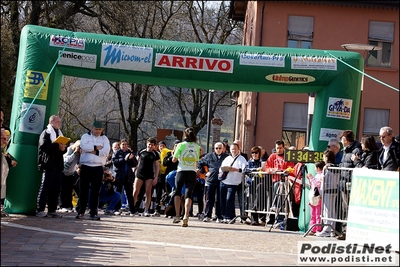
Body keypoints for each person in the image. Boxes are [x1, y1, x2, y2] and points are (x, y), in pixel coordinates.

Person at [75, 120, 110, 221]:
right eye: (96, 129)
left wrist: (94, 151)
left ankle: (93, 212)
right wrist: (96, 148)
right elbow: (83, 147)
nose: (98, 131)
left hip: (98, 167)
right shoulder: (85, 137)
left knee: (95, 191)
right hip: (86, 166)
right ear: (92, 128)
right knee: (83, 190)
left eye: (100, 129)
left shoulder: (104, 139)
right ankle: (81, 211)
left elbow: (105, 152)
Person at [36, 115, 67, 218]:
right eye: (58, 121)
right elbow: (43, 146)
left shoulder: (59, 133)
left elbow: (63, 149)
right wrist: (57, 146)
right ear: (51, 122)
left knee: (56, 188)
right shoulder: (46, 133)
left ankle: (52, 210)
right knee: (45, 187)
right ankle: (39, 209)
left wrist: (63, 148)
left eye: (60, 122)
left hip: (58, 165)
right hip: (48, 164)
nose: (59, 123)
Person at [171, 127, 201, 227]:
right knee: (189, 194)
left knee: (177, 192)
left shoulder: (180, 145)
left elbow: (174, 160)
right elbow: (196, 160)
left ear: (185, 135)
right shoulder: (197, 146)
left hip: (181, 171)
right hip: (191, 172)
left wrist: (173, 153)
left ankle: (177, 215)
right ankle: (186, 216)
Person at [198, 141, 228, 223]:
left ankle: (219, 216)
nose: (218, 150)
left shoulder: (226, 157)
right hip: (211, 180)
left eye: (220, 148)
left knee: (219, 199)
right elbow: (200, 163)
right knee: (209, 199)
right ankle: (207, 215)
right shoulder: (209, 156)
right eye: (216, 148)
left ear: (223, 149)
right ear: (214, 149)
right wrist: (204, 172)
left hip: (222, 180)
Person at [219, 143, 247, 223]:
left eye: (235, 149)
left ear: (238, 150)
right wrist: (226, 169)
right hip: (224, 181)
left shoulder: (242, 159)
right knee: (223, 200)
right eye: (232, 149)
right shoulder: (227, 158)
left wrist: (235, 169)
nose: (233, 151)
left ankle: (230, 216)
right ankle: (224, 216)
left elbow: (244, 169)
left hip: (234, 182)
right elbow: (221, 168)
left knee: (229, 199)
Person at [133, 137, 160, 217]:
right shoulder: (141, 151)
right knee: (135, 191)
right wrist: (134, 169)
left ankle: (146, 210)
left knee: (148, 192)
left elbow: (157, 166)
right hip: (140, 173)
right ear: (146, 144)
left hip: (149, 175)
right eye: (149, 144)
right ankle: (133, 208)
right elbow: (136, 161)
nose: (150, 146)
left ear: (154, 146)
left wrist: (156, 177)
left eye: (152, 145)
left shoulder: (155, 154)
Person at [265, 140, 295, 212]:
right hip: (275, 179)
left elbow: (291, 168)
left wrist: (284, 171)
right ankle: (275, 206)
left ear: (284, 148)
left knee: (277, 186)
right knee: (276, 186)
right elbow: (267, 167)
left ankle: (276, 205)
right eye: (277, 148)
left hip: (285, 180)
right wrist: (271, 170)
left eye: (280, 148)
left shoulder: (287, 156)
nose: (278, 150)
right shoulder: (272, 156)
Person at [315, 149, 339, 237]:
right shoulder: (336, 166)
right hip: (334, 189)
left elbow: (324, 181)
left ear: (327, 157)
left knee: (327, 211)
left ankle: (326, 230)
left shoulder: (327, 167)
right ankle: (332, 229)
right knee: (332, 210)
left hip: (328, 190)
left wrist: (321, 192)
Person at [112, 139, 138, 216]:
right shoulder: (117, 153)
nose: (124, 146)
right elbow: (115, 163)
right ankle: (116, 209)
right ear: (120, 145)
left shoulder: (129, 153)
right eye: (123, 144)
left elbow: (134, 164)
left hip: (128, 177)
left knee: (129, 194)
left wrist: (131, 159)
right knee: (118, 193)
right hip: (119, 176)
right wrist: (125, 159)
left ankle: (132, 210)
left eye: (126, 144)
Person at [243, 146, 264, 225]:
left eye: (256, 153)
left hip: (260, 182)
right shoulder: (249, 162)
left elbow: (265, 168)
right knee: (251, 200)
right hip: (251, 183)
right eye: (252, 153)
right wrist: (255, 169)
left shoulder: (262, 162)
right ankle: (254, 220)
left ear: (259, 153)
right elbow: (245, 170)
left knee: (260, 200)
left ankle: (261, 217)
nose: (254, 154)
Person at [59, 140, 81, 212]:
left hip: (70, 173)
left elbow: (80, 163)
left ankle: (69, 205)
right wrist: (75, 153)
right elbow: (67, 160)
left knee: (69, 190)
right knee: (63, 190)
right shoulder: (69, 150)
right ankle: (62, 206)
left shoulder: (79, 155)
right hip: (63, 171)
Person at [306, 160, 324, 235]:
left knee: (317, 214)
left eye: (315, 167)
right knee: (312, 214)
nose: (314, 169)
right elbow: (313, 184)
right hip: (313, 197)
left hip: (317, 197)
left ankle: (318, 229)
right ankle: (313, 228)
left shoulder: (321, 175)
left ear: (318, 168)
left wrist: (311, 177)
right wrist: (310, 179)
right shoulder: (317, 175)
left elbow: (316, 184)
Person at [153, 140, 171, 216]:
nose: (162, 148)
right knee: (158, 193)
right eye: (160, 146)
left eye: (163, 146)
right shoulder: (156, 154)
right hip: (159, 175)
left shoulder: (168, 154)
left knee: (167, 192)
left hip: (166, 175)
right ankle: (157, 209)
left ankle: (167, 209)